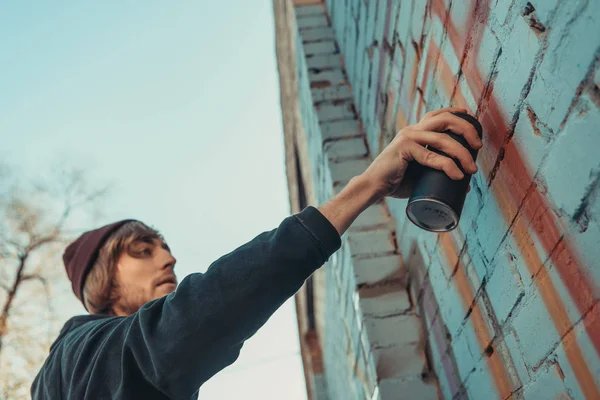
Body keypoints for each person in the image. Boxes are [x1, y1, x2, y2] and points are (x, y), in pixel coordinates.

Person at [31, 107, 481, 400]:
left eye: (165, 247)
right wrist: (366, 187)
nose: (167, 259)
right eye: (142, 251)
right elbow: (183, 327)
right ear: (102, 278)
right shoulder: (76, 358)